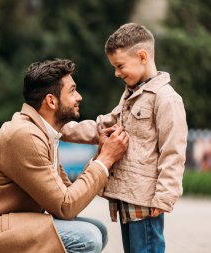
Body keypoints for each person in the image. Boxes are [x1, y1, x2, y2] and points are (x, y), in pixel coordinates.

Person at [0, 59, 129, 253]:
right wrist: (105, 160)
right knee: (86, 237)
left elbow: (68, 197)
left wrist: (101, 155)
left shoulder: (42, 133)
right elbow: (66, 207)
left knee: (99, 230)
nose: (79, 97)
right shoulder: (25, 136)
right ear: (51, 101)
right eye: (72, 91)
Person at [61, 23, 188, 253]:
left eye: (120, 66)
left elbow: (174, 151)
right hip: (127, 196)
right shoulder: (131, 95)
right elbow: (102, 127)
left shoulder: (167, 99)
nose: (116, 73)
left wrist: (165, 197)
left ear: (142, 56)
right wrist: (60, 128)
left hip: (146, 200)